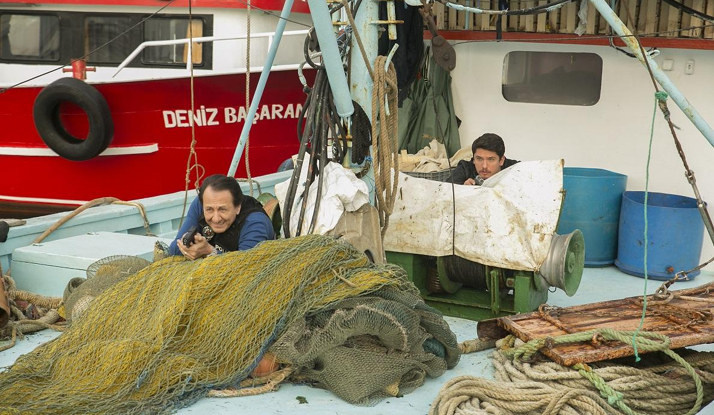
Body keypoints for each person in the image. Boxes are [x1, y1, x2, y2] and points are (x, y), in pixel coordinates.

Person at [169, 174, 275, 260]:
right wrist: (189, 246)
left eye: (222, 210)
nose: (216, 218)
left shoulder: (255, 223)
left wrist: (210, 252)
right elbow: (174, 250)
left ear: (238, 207)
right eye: (209, 209)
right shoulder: (200, 204)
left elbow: (245, 268)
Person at [451, 133, 520, 185]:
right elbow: (446, 191)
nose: (484, 166)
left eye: (491, 159)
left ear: (501, 160)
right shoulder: (465, 168)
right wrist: (462, 190)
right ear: (474, 159)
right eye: (479, 159)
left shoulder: (515, 169)